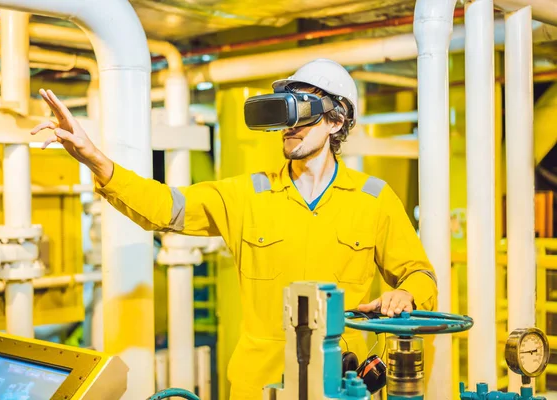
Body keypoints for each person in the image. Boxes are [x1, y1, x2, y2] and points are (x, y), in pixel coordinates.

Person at [31, 58, 437, 399]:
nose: (289, 125)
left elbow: (419, 273)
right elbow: (163, 207)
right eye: (284, 112)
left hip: (339, 386)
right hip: (257, 387)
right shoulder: (247, 194)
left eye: (302, 111)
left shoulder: (373, 198)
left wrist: (406, 292)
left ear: (336, 120)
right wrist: (95, 159)